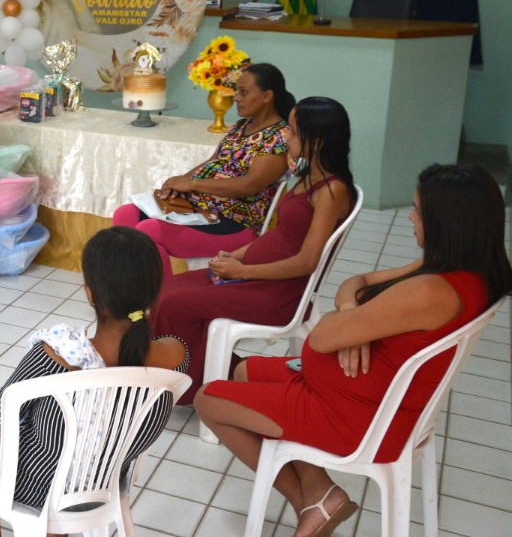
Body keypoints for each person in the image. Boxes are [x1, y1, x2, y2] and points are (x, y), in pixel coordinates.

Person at [196, 163, 511, 537]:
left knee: (209, 398)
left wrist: (350, 326)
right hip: (360, 390)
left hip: (359, 416)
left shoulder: (430, 291)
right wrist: (355, 317)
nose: (410, 218)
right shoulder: (465, 273)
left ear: (448, 224)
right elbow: (355, 283)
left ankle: (311, 502)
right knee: (244, 372)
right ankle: (318, 493)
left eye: (418, 211)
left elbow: (322, 338)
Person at [0, 227, 189, 537]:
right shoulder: (176, 355)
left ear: (91, 294)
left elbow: (1, 415)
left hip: (38, 489)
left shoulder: (57, 354)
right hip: (106, 484)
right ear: (154, 292)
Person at [153, 97, 355, 404]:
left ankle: (184, 385)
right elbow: (279, 236)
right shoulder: (304, 177)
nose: (285, 136)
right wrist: (236, 256)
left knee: (176, 305)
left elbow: (306, 261)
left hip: (278, 293)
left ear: (319, 140)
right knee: (161, 290)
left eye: (294, 131)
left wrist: (243, 271)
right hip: (253, 276)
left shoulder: (331, 190)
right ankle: (194, 373)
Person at [112, 63, 293, 274]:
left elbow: (250, 185)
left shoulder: (278, 136)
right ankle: (126, 291)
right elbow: (213, 161)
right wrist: (179, 183)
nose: (236, 97)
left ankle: (161, 301)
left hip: (235, 222)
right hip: (200, 210)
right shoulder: (241, 127)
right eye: (236, 91)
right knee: (124, 215)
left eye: (243, 92)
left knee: (148, 231)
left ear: (267, 96)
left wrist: (193, 184)